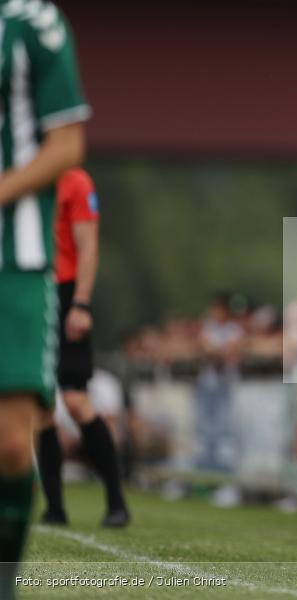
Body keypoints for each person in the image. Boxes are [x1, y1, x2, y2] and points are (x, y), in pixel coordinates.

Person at [0, 4, 90, 598]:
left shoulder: (33, 20)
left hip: (19, 263)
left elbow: (67, 145)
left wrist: (81, 297)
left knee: (11, 443)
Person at [36, 169, 130, 528]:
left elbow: (87, 243)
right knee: (39, 405)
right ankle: (54, 508)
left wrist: (82, 303)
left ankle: (116, 500)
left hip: (65, 291)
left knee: (75, 400)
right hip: (31, 290)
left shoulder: (75, 182)